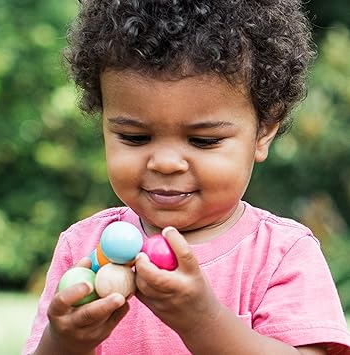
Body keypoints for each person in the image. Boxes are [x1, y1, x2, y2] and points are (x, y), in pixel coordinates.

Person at [23, 0, 350, 354]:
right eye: (135, 137)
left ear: (264, 132)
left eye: (203, 140)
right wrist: (62, 342)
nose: (165, 163)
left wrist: (203, 321)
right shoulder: (82, 248)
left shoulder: (282, 255)